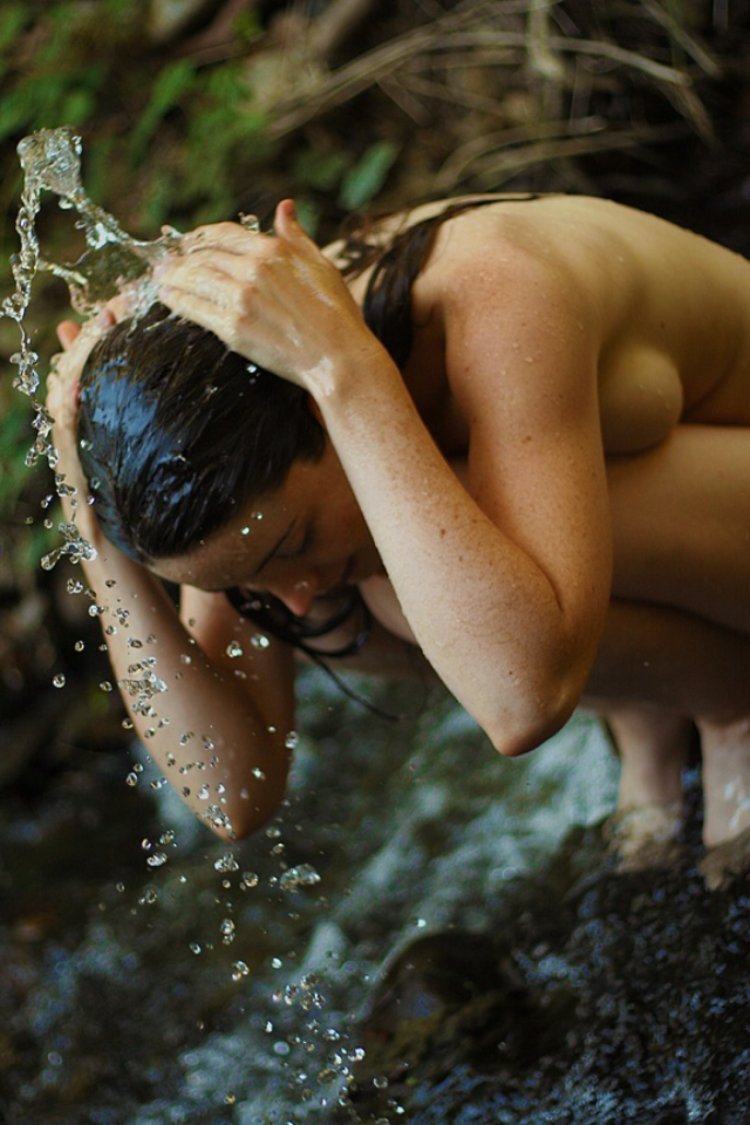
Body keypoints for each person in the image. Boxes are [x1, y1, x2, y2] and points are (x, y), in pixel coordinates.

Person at [47, 194, 750, 875]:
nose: (290, 598)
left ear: (316, 409)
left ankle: (732, 709)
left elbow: (521, 696)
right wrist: (96, 532)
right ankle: (650, 714)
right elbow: (231, 792)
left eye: (292, 545)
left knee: (412, 564)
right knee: (364, 582)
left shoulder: (488, 290)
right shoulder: (240, 462)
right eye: (239, 578)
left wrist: (342, 369)